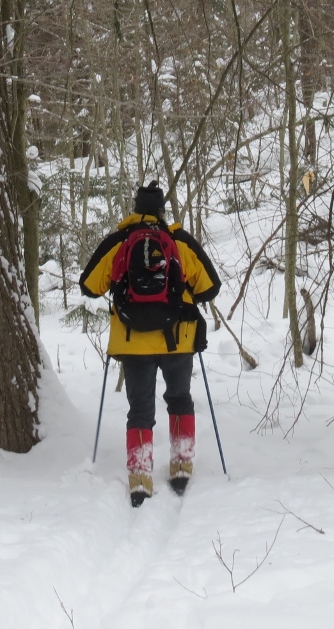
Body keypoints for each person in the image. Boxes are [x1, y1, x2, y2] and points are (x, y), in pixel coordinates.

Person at [79, 181, 221, 506]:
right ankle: (182, 465)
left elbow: (89, 286)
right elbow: (211, 287)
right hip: (178, 340)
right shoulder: (178, 241)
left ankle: (140, 476)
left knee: (140, 409)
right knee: (180, 399)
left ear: (135, 208)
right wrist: (179, 298)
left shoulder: (120, 241)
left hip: (132, 341)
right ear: (161, 210)